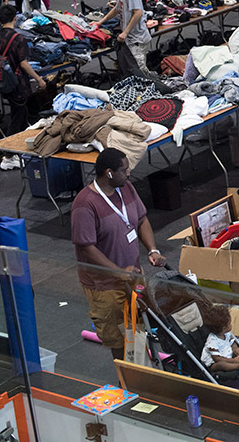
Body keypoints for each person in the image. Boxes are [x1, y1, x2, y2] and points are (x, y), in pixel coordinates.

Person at [71, 148, 166, 360]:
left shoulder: (127, 188)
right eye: (124, 170)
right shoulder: (85, 204)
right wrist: (118, 271)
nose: (129, 173)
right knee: (118, 338)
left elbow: (142, 220)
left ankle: (142, 373)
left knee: (139, 331)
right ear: (109, 173)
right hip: (105, 286)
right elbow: (87, 247)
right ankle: (126, 384)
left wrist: (153, 249)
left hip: (133, 276)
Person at [0, 4, 44, 155]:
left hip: (2, 83)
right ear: (15, 18)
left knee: (21, 113)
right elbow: (23, 63)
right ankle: (9, 154)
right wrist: (38, 79)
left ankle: (21, 147)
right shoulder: (18, 38)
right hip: (19, 84)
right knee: (16, 119)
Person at [93, 0, 152, 78]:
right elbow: (116, 9)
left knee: (139, 71)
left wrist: (125, 32)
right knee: (134, 70)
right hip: (132, 38)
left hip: (137, 39)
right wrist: (100, 22)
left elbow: (138, 12)